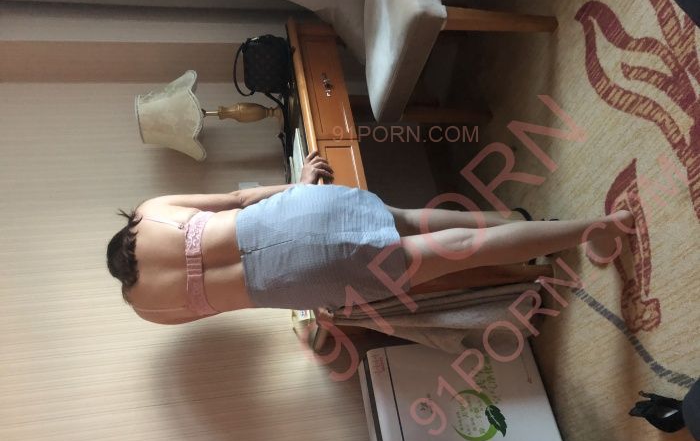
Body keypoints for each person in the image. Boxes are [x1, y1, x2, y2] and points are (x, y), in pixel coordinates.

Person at [107, 151, 634, 325]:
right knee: (415, 220)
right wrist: (301, 183)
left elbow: (226, 305)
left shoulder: (149, 309)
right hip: (294, 215)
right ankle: (556, 227)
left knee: (456, 254)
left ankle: (595, 230)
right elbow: (237, 199)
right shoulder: (150, 214)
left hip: (299, 278)